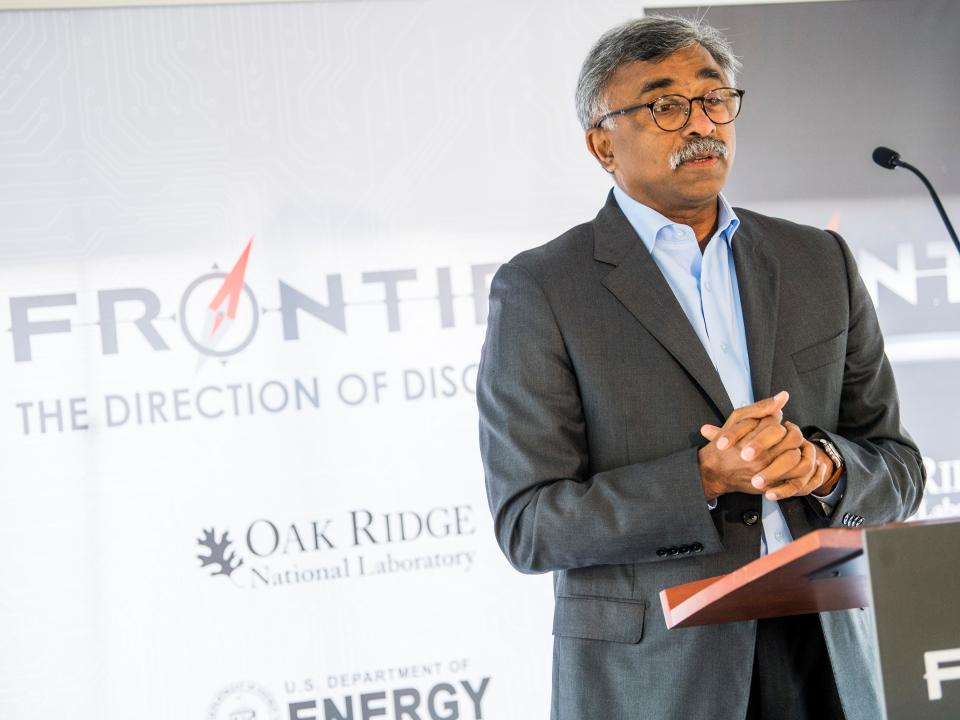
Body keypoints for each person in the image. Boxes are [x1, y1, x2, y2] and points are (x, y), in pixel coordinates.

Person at [476, 15, 925, 720]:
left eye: (715, 99)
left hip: (829, 655)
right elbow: (530, 525)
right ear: (602, 144)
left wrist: (824, 468)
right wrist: (705, 480)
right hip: (661, 676)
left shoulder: (818, 262)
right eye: (664, 106)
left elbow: (899, 469)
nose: (700, 124)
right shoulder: (544, 289)